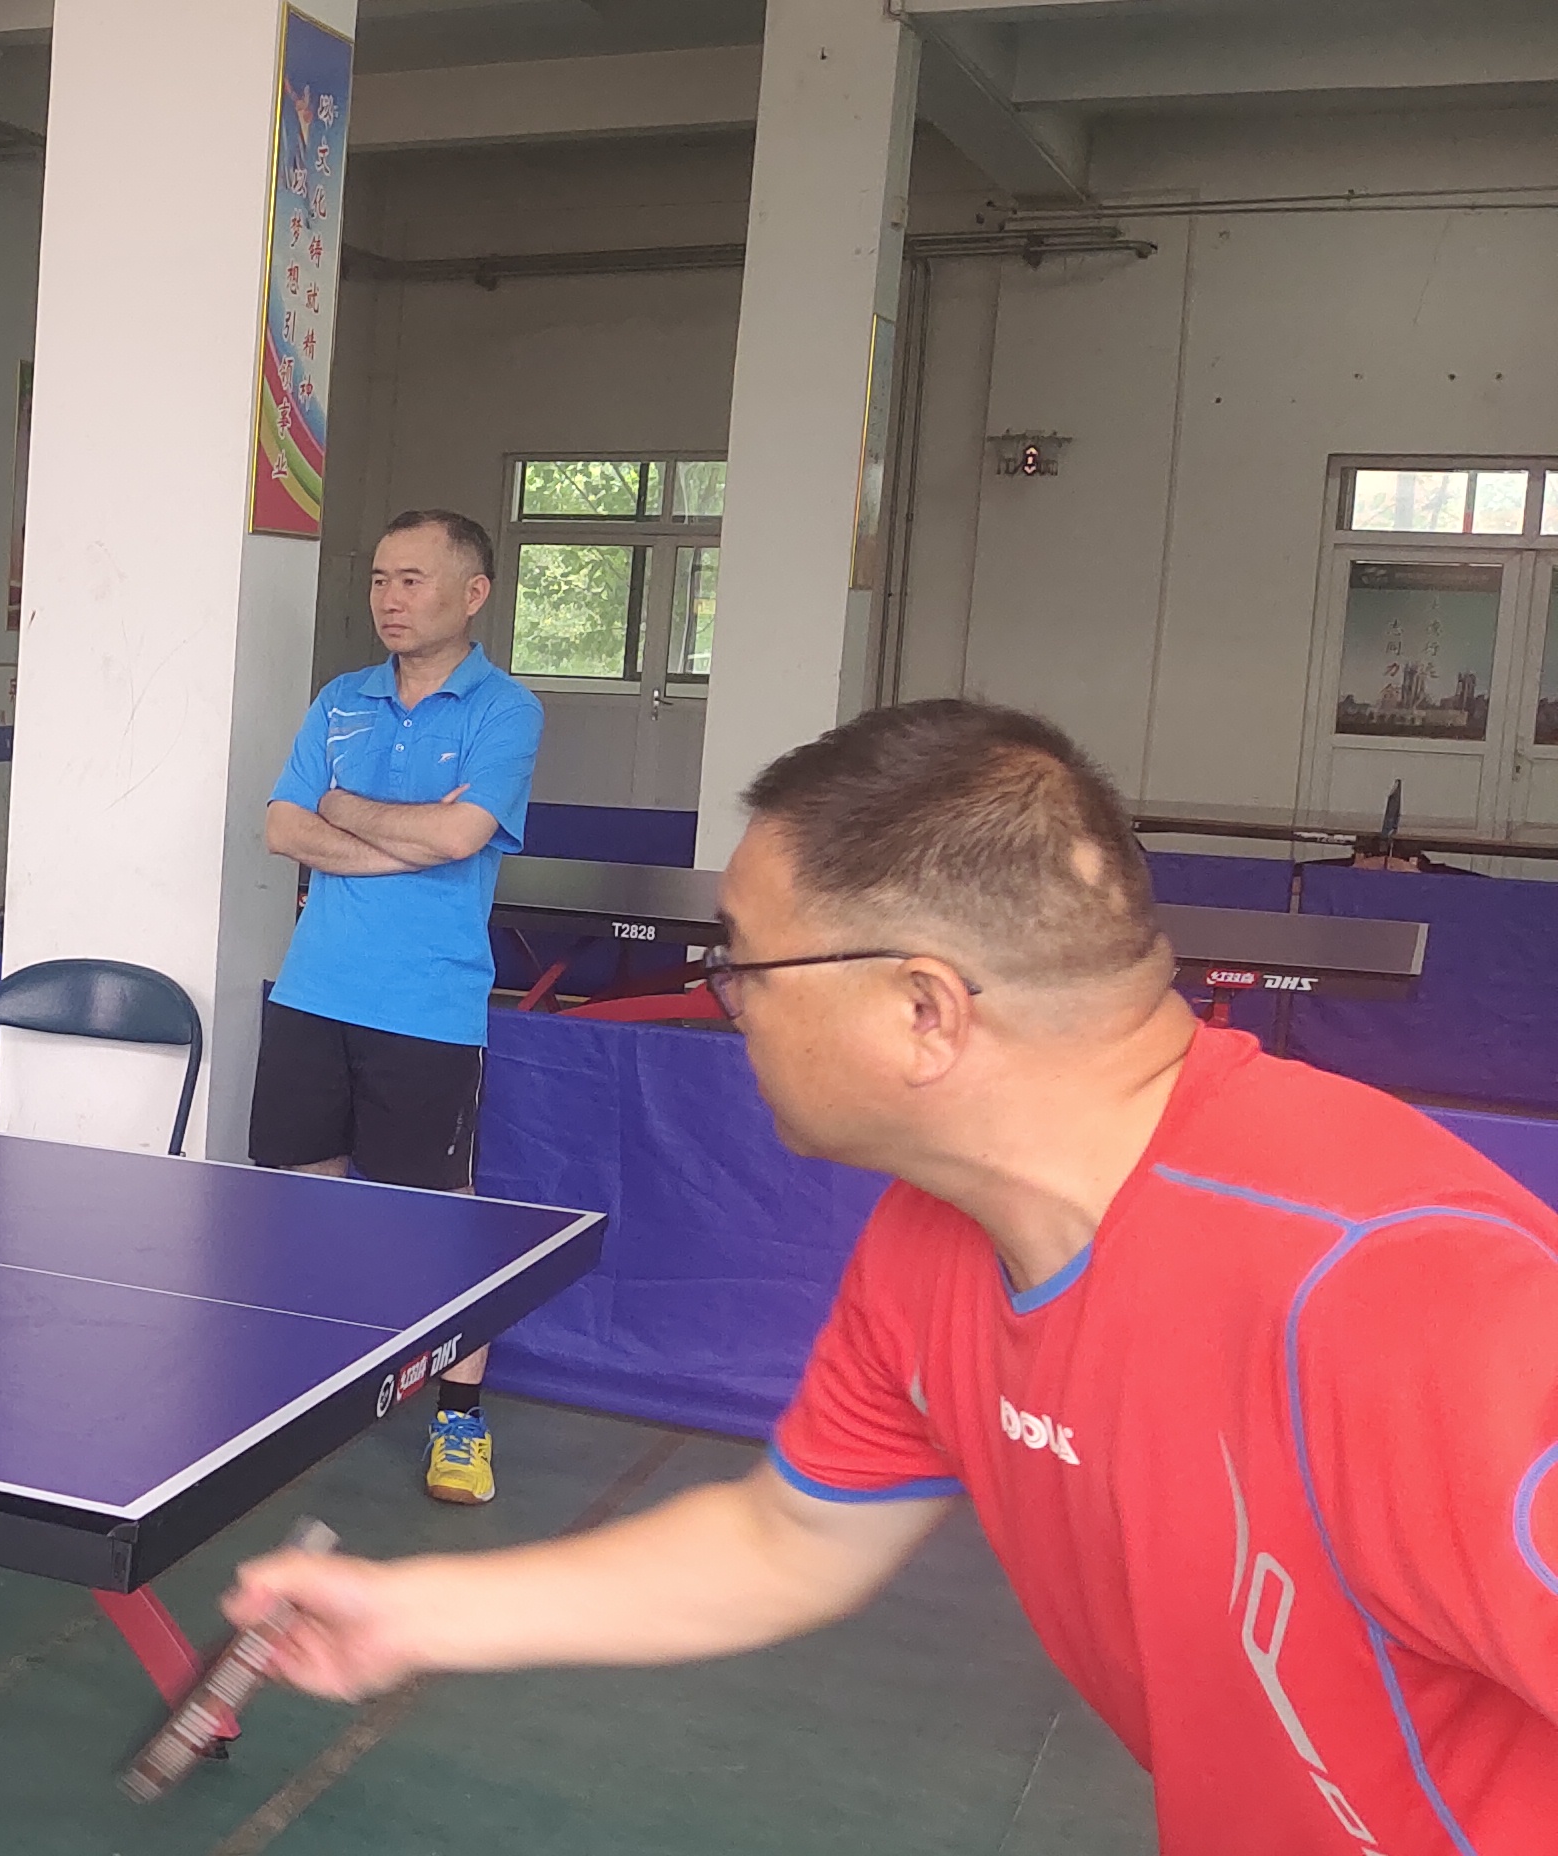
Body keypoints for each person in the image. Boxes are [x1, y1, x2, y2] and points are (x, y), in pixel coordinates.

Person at [228, 701, 1558, 1851]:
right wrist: (414, 1610)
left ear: (926, 1010)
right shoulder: (934, 1240)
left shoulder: (1415, 1304)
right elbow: (791, 1538)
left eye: (743, 962)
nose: (726, 997)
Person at [257, 508, 543, 1504]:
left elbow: (462, 836)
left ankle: (460, 1418)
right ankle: (314, 1389)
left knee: (436, 1223)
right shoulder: (341, 698)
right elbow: (281, 826)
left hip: (427, 1005)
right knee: (305, 1202)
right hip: (311, 989)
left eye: (412, 579)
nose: (389, 597)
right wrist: (404, 841)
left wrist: (344, 809)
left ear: (473, 593)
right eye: (380, 578)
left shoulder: (505, 710)